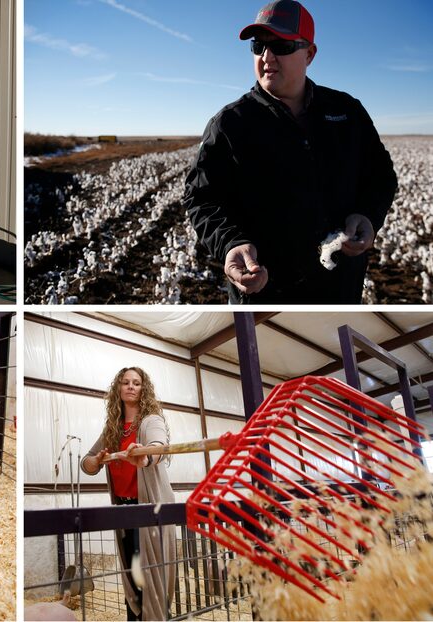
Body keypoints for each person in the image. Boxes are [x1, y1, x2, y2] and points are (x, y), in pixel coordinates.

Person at [182, 0, 397, 304]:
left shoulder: (347, 112)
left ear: (309, 54)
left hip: (339, 290)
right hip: (265, 295)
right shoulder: (230, 124)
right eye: (258, 46)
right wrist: (231, 243)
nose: (267, 57)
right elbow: (202, 197)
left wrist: (368, 215)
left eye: (281, 46)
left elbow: (381, 175)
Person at [81, 367, 176, 620]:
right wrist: (98, 460)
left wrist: (143, 457)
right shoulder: (113, 428)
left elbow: (158, 447)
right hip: (123, 511)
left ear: (144, 389)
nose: (131, 386)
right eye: (125, 382)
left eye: (136, 382)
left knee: (148, 575)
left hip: (148, 509)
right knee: (131, 575)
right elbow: (87, 463)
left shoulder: (151, 420)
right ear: (118, 389)